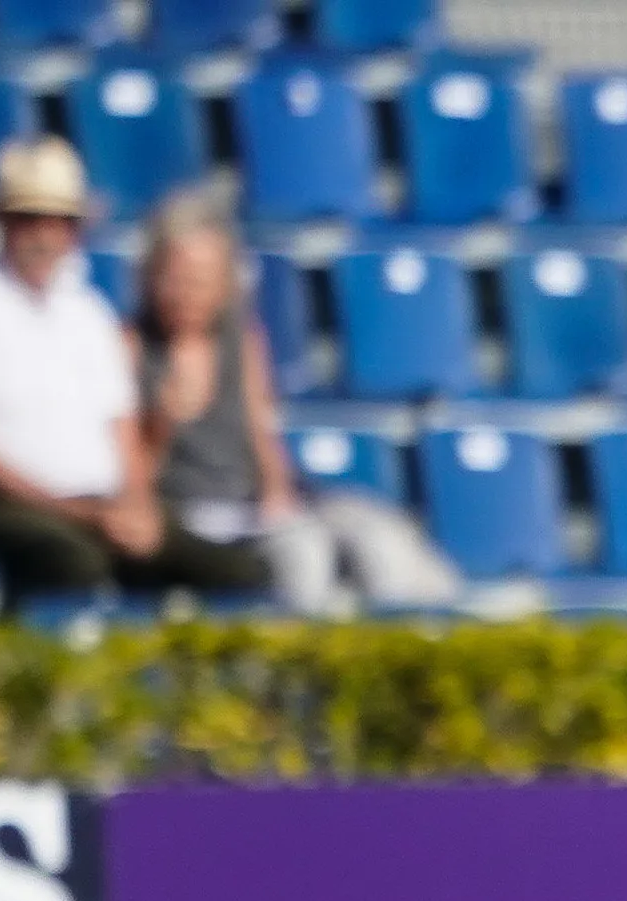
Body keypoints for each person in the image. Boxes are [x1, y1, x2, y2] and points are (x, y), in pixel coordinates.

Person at [0, 138, 262, 601]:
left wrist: (137, 505)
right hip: (7, 508)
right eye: (30, 218)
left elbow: (122, 431)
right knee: (76, 564)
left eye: (60, 220)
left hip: (99, 507)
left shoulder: (89, 313)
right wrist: (72, 510)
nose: (45, 235)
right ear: (3, 223)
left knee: (240, 575)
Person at [133, 194, 459, 613]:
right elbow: (131, 474)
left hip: (259, 507)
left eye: (201, 278)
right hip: (193, 516)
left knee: (380, 540)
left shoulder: (240, 340)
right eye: (177, 277)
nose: (186, 292)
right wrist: (164, 419)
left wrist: (276, 493)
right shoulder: (132, 347)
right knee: (305, 554)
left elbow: (260, 431)